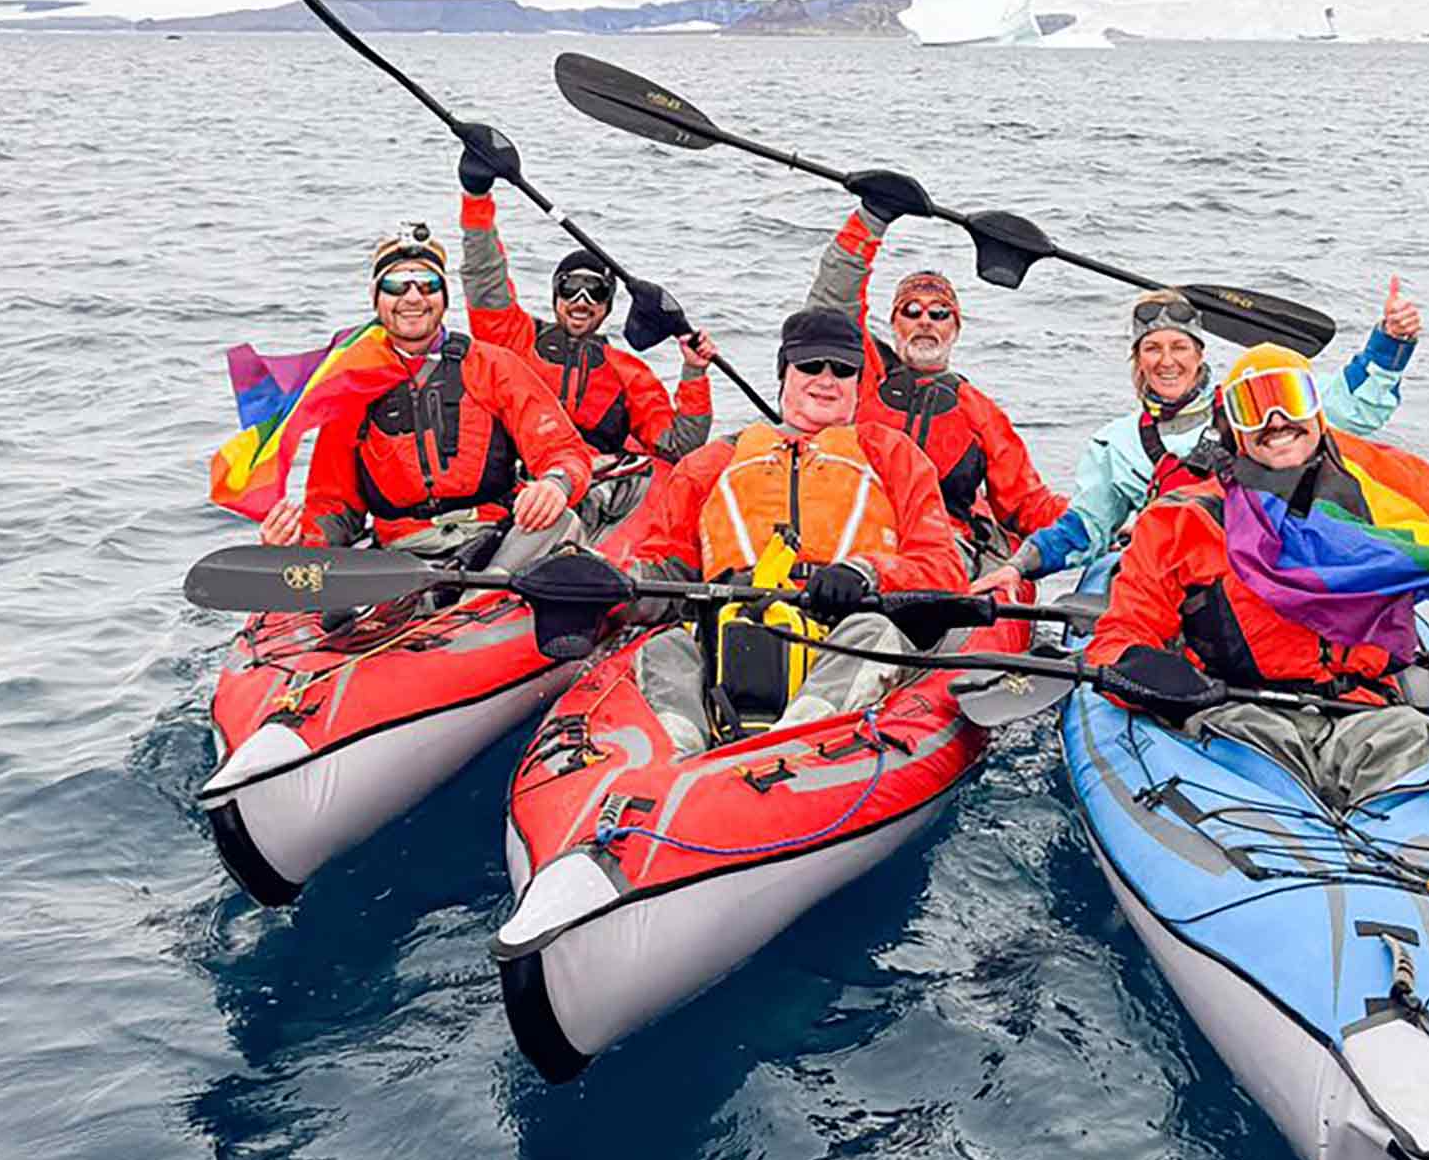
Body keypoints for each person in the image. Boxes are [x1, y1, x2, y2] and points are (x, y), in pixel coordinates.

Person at [1084, 344, 1429, 809]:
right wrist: (1146, 673)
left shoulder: (1382, 509)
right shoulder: (1180, 522)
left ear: (1318, 414)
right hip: (1239, 713)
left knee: (1412, 736)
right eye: (1254, 408)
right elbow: (1121, 634)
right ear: (1235, 430)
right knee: (1258, 744)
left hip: (1362, 713)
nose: (1276, 421)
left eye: (1290, 400)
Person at [618, 307, 968, 757]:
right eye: (811, 366)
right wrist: (613, 584)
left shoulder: (891, 454)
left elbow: (943, 570)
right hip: (732, 629)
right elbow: (666, 565)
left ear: (858, 386)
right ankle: (680, 759)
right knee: (667, 645)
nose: (826, 379)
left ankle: (787, 746)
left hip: (844, 629)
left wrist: (866, 573)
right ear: (784, 373)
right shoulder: (712, 464)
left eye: (843, 370)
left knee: (870, 631)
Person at [977, 280, 1425, 596]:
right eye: (1152, 348)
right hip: (1180, 576)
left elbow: (1351, 407)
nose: (1166, 361)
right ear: (1137, 359)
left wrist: (1389, 343)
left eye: (1179, 347)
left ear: (1199, 353)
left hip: (1270, 563)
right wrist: (1020, 565)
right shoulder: (1116, 443)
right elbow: (1086, 528)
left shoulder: (1252, 402)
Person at [259, 222, 594, 566]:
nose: (413, 298)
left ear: (444, 297)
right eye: (396, 286)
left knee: (562, 523)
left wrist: (555, 485)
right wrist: (297, 542)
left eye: (428, 284)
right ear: (377, 299)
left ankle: (476, 603)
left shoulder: (493, 366)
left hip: (497, 538)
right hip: (402, 553)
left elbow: (564, 451)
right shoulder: (351, 386)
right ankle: (450, 605)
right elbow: (334, 505)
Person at [801, 175, 1067, 563]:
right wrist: (872, 218)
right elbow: (831, 302)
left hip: (941, 544)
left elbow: (1027, 504)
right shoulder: (859, 376)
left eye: (939, 313)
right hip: (851, 527)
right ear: (895, 325)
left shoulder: (980, 412)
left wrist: (1104, 522)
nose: (925, 321)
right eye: (911, 311)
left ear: (955, 328)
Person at [457, 143, 718, 466]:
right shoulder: (513, 338)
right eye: (571, 288)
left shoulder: (627, 372)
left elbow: (680, 447)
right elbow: (484, 277)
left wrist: (694, 372)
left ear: (607, 306)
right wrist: (476, 197)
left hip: (595, 486)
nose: (581, 301)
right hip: (522, 481)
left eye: (594, 291)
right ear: (556, 295)